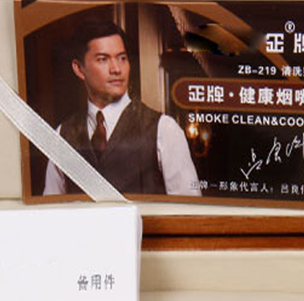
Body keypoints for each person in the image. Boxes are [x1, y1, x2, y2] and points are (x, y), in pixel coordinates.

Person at [43, 20, 201, 197]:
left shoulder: (164, 130)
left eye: (122, 58)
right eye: (103, 59)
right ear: (79, 69)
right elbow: (51, 209)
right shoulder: (62, 135)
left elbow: (188, 210)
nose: (116, 69)